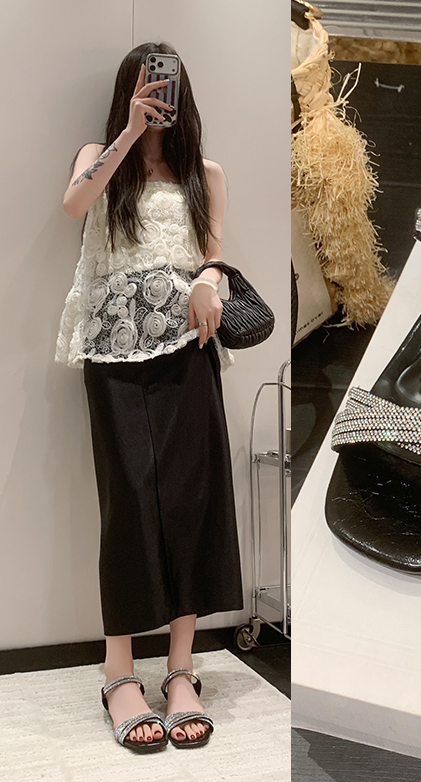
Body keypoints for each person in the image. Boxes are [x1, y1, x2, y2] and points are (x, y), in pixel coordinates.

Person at [57, 42, 243, 752]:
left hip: (189, 348)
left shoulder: (205, 173)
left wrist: (209, 280)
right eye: (144, 86)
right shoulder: (98, 156)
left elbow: (214, 252)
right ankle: (118, 673)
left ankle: (181, 669)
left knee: (191, 500)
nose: (156, 95)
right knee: (130, 501)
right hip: (112, 350)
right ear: (127, 91)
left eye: (165, 87)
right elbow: (74, 204)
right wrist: (131, 132)